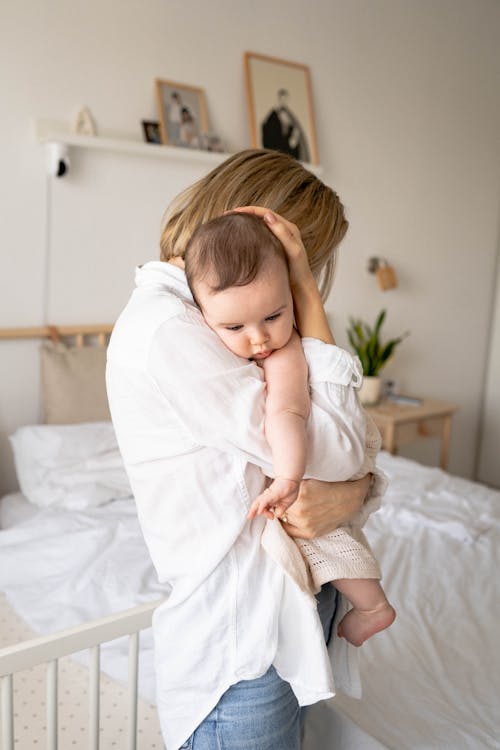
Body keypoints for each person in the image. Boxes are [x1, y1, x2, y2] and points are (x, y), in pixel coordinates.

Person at [106, 149, 387, 750]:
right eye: (306, 259)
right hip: (242, 652)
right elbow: (338, 449)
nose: (256, 333)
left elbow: (351, 452)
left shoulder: (225, 320)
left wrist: (357, 485)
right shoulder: (173, 330)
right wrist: (309, 299)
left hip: (287, 617)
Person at [184, 212, 395, 648]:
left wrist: (288, 478)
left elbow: (286, 415)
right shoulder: (185, 340)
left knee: (328, 542)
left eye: (274, 316)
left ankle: (374, 607)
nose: (260, 338)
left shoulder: (283, 355)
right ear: (200, 314)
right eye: (234, 327)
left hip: (308, 476)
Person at [261, 88, 310, 161]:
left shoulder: (288, 115)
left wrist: (293, 139)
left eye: (286, 100)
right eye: (283, 100)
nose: (284, 102)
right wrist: (290, 142)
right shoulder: (272, 118)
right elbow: (271, 137)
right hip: (278, 151)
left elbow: (293, 131)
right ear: (279, 99)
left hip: (288, 152)